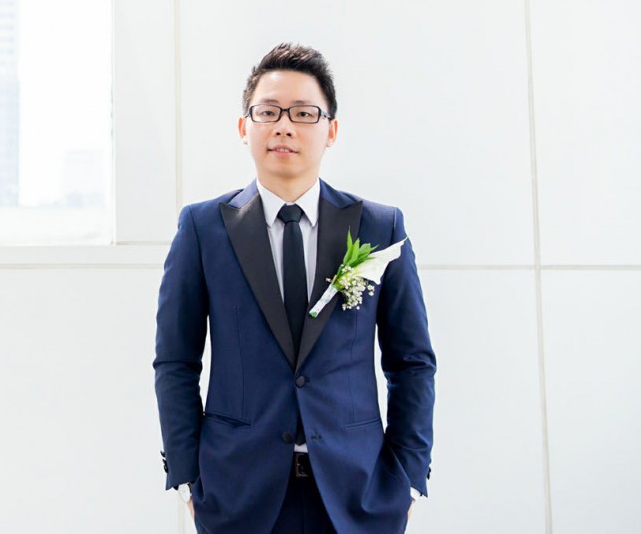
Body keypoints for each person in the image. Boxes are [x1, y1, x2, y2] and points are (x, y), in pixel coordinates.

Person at [154, 43, 436, 534]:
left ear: (331, 130)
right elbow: (176, 362)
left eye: (304, 113)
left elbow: (411, 362)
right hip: (237, 495)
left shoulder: (379, 227)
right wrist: (186, 478)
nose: (284, 126)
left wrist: (408, 479)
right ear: (244, 127)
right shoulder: (203, 228)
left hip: (358, 496)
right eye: (268, 112)